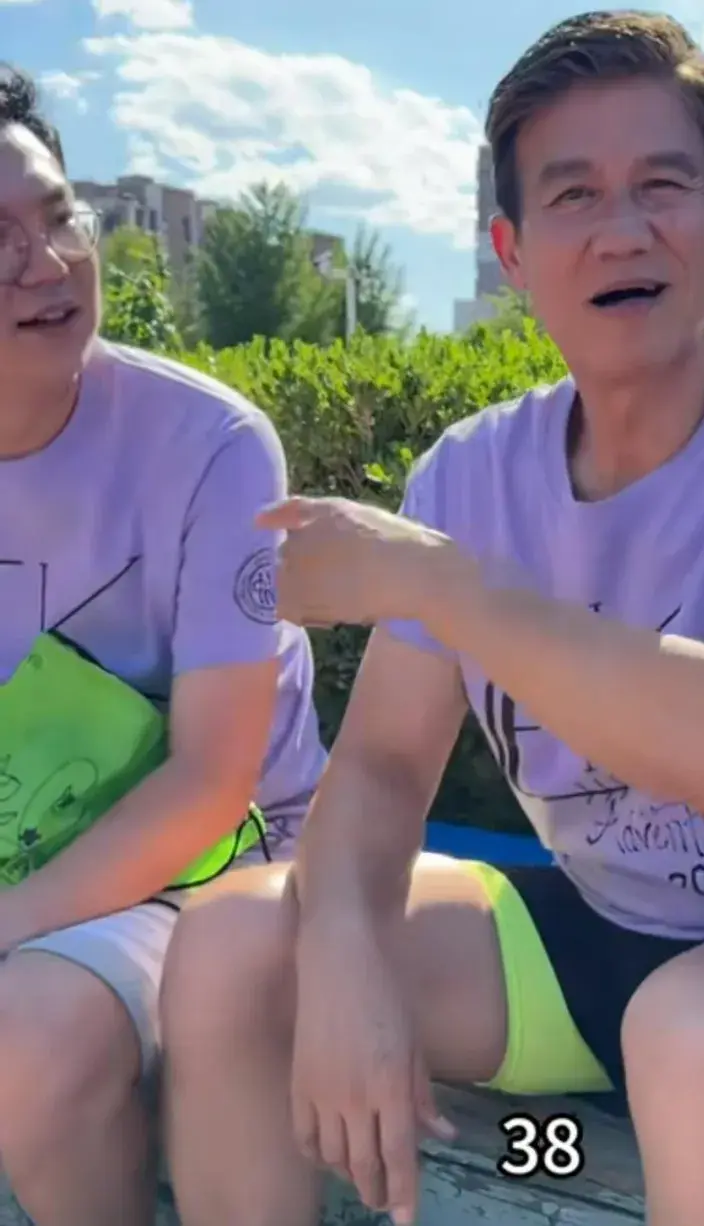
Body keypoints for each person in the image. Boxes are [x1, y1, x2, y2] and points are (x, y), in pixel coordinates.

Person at [160, 12, 704, 1226]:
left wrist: (442, 584)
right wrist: (343, 955)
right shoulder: (471, 472)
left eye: (663, 186)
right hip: (595, 932)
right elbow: (381, 765)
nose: (622, 229)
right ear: (513, 250)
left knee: (695, 1031)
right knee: (233, 946)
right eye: (574, 194)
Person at [0, 65, 325, 1226]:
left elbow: (211, 783)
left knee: (25, 1039)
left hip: (217, 871)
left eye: (58, 218)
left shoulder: (210, 445)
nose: (45, 264)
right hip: (29, 859)